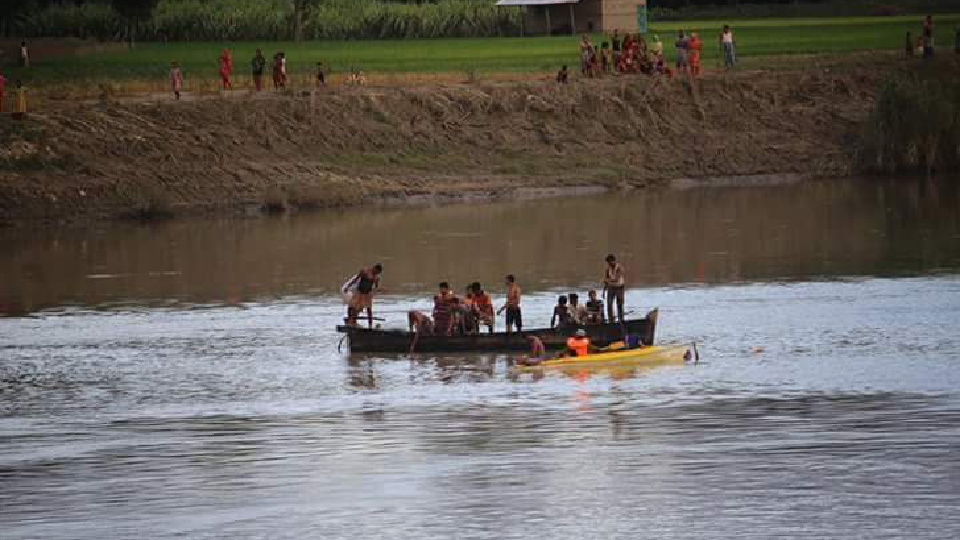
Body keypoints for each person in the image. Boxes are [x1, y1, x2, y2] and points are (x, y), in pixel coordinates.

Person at [345, 263, 383, 328]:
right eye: (376, 272)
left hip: (368, 293)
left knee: (369, 309)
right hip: (359, 292)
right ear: (374, 268)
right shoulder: (365, 271)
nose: (376, 273)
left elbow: (376, 286)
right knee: (353, 306)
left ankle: (370, 325)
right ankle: (352, 321)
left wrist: (377, 289)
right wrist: (348, 286)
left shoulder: (376, 277)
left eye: (378, 273)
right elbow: (356, 279)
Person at [603, 254, 626, 324]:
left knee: (619, 303)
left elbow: (616, 279)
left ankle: (621, 319)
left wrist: (608, 280)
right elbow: (606, 281)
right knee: (609, 304)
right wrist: (604, 291)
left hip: (619, 287)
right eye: (608, 262)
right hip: (611, 287)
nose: (609, 264)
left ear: (614, 261)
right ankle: (611, 320)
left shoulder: (619, 268)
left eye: (610, 262)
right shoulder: (608, 269)